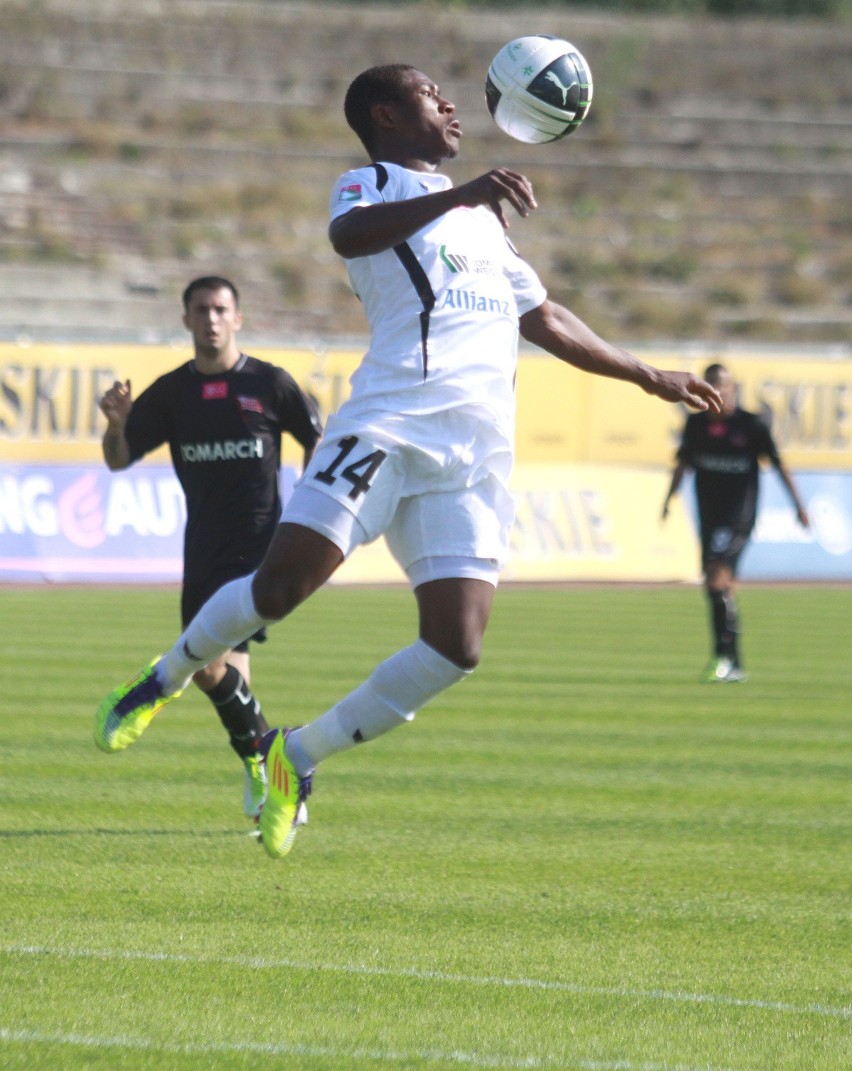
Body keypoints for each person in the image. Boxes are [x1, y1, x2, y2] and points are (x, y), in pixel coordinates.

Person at [95, 65, 721, 859]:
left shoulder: (486, 224)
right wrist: (463, 195)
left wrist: (647, 373)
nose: (453, 105)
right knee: (280, 589)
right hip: (390, 421)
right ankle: (167, 673)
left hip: (474, 452)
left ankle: (297, 755)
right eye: (433, 96)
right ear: (388, 115)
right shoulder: (368, 184)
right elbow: (348, 238)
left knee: (457, 645)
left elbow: (546, 315)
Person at [96, 275, 323, 817]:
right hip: (202, 545)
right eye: (202, 310)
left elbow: (317, 437)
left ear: (237, 319)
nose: (212, 319)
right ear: (186, 320)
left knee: (206, 660)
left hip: (260, 544)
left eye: (221, 309)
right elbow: (117, 458)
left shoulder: (270, 383)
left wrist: (310, 506)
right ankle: (269, 766)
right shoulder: (173, 393)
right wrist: (116, 424)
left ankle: (264, 768)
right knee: (218, 669)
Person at [661, 362, 809, 683]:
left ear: (734, 389)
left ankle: (723, 659)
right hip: (709, 518)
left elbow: (779, 464)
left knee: (716, 580)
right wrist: (668, 499)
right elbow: (683, 463)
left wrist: (799, 506)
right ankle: (735, 664)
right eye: (712, 383)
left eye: (724, 384)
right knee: (718, 586)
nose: (719, 389)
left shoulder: (751, 425)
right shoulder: (696, 425)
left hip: (739, 517)